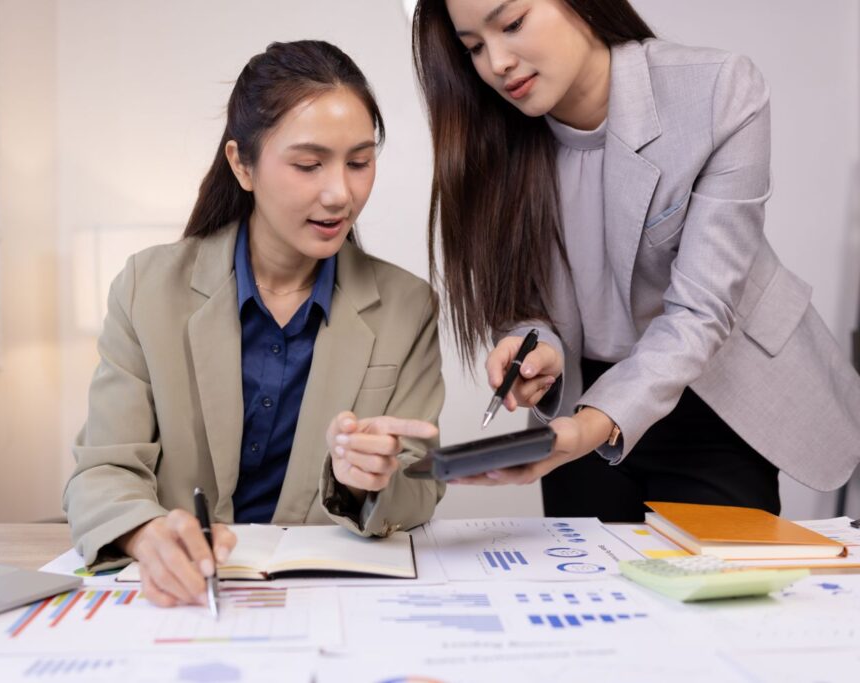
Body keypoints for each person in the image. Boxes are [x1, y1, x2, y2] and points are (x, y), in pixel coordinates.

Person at [412, 0, 860, 521]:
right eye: (474, 48)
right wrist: (536, 349)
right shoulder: (494, 134)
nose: (498, 62)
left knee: (718, 593)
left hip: (717, 396)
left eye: (512, 24)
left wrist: (594, 423)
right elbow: (525, 300)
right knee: (584, 595)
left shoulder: (717, 90)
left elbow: (703, 310)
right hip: (581, 401)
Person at [65, 40, 445, 607]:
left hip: (333, 602)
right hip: (186, 600)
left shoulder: (407, 304)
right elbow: (103, 470)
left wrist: (363, 480)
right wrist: (149, 536)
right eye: (309, 164)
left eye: (360, 162)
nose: (340, 192)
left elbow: (421, 484)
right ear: (242, 164)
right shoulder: (148, 288)